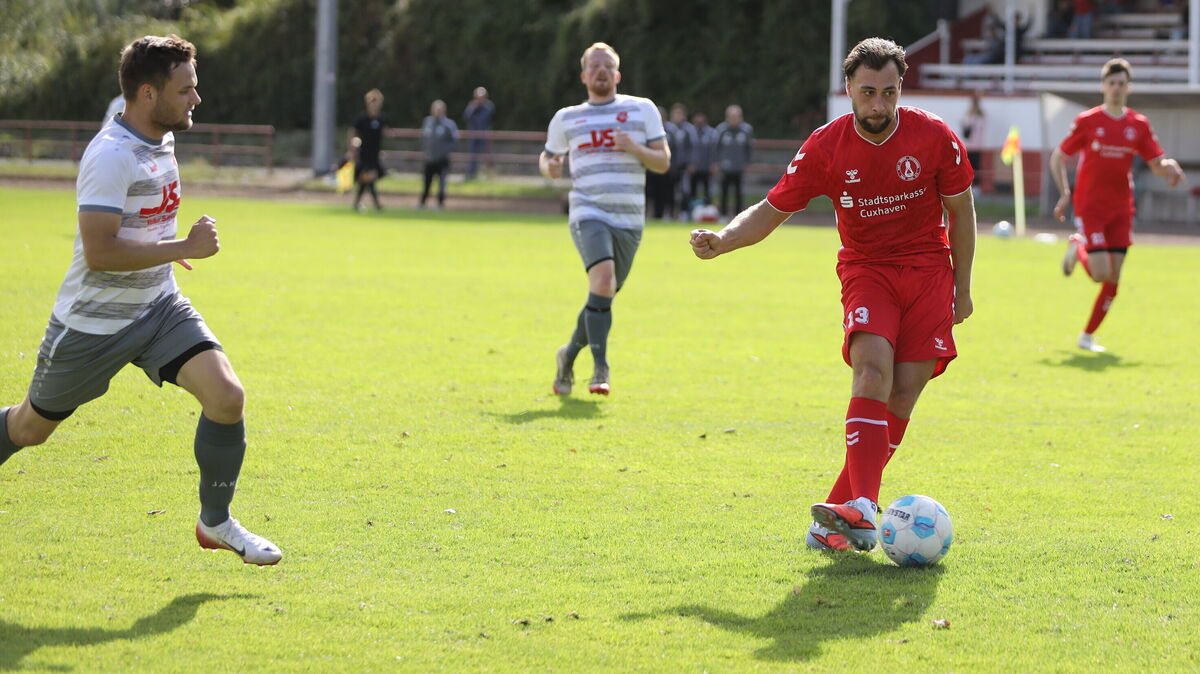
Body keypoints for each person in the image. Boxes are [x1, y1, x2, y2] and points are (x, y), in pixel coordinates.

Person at [0, 34, 281, 566]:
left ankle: (215, 522)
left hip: (157, 308)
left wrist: (163, 252)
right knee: (27, 430)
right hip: (92, 325)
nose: (196, 99)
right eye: (186, 89)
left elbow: (141, 223)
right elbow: (100, 252)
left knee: (226, 397)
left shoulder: (164, 139)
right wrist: (183, 246)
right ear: (148, 94)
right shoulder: (111, 155)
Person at [690, 37, 976, 553]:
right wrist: (725, 240)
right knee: (870, 371)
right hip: (868, 271)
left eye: (889, 93)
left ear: (900, 88)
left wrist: (964, 286)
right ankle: (866, 506)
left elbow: (961, 213)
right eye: (868, 93)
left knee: (903, 395)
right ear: (848, 89)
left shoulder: (935, 136)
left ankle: (835, 519)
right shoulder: (826, 146)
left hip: (930, 273)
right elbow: (771, 209)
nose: (879, 105)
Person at [540, 42, 669, 395]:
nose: (600, 71)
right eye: (593, 66)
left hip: (629, 220)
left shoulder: (641, 110)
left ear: (617, 74)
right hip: (588, 212)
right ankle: (600, 368)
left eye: (606, 66)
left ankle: (567, 356)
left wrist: (636, 148)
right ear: (583, 75)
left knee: (603, 294)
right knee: (603, 281)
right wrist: (550, 167)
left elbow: (663, 162)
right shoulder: (567, 117)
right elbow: (547, 158)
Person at [1050, 58, 1186, 353]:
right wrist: (1065, 193)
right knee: (1100, 273)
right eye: (1111, 83)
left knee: (1114, 278)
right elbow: (1058, 157)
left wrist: (1170, 167)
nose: (1115, 88)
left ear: (1128, 88)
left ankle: (1087, 336)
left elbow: (1156, 164)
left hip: (1121, 208)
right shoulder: (1088, 121)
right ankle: (1079, 245)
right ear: (1103, 86)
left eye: (1121, 83)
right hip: (1091, 207)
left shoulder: (1137, 124)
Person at [348, 88, 388, 212]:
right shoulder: (363, 118)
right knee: (370, 178)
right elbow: (352, 131)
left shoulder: (381, 119)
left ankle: (358, 203)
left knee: (374, 176)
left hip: (375, 153)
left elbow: (384, 132)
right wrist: (352, 147)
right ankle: (376, 204)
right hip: (364, 154)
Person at [713, 104, 753, 218]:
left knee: (739, 193)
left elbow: (749, 148)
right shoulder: (721, 129)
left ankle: (738, 216)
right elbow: (716, 148)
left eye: (736, 116)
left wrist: (747, 162)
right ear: (727, 117)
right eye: (732, 116)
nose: (734, 119)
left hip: (739, 167)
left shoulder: (746, 130)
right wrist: (716, 162)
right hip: (725, 167)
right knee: (724, 192)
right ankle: (723, 215)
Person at [419, 99, 459, 209]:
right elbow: (423, 139)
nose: (438, 112)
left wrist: (444, 152)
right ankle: (422, 203)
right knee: (426, 183)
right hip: (429, 159)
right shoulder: (427, 122)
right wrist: (425, 151)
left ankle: (440, 204)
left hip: (442, 160)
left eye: (440, 110)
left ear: (444, 111)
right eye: (436, 109)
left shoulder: (449, 125)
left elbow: (454, 142)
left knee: (442, 184)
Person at [645, 105, 675, 219]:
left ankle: (661, 216)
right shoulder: (647, 130)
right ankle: (647, 215)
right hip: (650, 169)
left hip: (666, 168)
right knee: (648, 194)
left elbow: (675, 150)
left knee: (663, 194)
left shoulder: (671, 131)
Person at [666, 103, 695, 220]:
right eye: (675, 114)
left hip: (683, 167)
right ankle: (669, 213)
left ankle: (684, 213)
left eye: (680, 114)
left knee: (684, 191)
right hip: (671, 166)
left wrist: (690, 162)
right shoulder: (667, 128)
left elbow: (692, 147)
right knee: (669, 190)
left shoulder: (688, 130)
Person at [462, 86, 494, 180]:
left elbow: (481, 119)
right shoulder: (472, 105)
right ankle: (471, 174)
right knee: (472, 155)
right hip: (473, 134)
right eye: (477, 97)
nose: (479, 99)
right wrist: (474, 107)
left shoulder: (489, 106)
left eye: (481, 97)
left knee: (487, 156)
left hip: (485, 134)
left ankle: (489, 175)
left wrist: (474, 116)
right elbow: (466, 116)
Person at [689, 111, 716, 209]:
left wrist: (713, 164)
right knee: (692, 191)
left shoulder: (711, 133)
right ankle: (691, 211)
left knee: (708, 191)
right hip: (693, 168)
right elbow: (687, 149)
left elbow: (714, 150)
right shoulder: (690, 132)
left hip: (706, 168)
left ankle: (708, 210)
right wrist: (689, 163)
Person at [961, 93, 986, 185]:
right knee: (969, 166)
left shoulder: (979, 117)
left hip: (976, 145)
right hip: (970, 145)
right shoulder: (971, 116)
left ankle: (976, 185)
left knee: (976, 166)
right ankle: (970, 184)